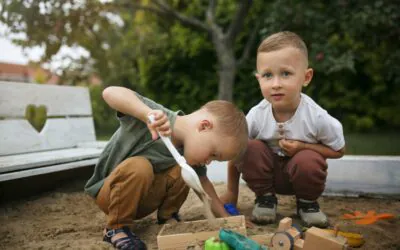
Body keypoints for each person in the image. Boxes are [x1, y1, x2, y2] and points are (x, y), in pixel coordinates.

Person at [84, 86, 248, 249]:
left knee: (184, 169)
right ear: (204, 126)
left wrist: (226, 219)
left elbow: (205, 188)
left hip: (144, 201)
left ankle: (168, 217)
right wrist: (146, 114)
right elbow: (109, 92)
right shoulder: (157, 118)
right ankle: (116, 228)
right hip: (112, 195)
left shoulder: (187, 153)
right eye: (213, 154)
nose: (208, 162)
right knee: (140, 166)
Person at [220, 31, 345, 228]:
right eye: (268, 75)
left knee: (308, 158)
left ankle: (307, 205)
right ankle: (266, 200)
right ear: (258, 79)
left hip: (303, 177)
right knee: (249, 146)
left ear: (306, 77)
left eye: (286, 73)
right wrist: (231, 192)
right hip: (266, 179)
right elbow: (234, 153)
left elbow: (339, 151)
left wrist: (303, 147)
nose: (276, 84)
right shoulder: (256, 115)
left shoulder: (317, 117)